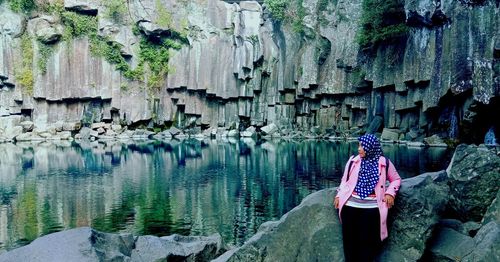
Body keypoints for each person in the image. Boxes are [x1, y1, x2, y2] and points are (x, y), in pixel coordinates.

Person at [334, 134, 401, 262]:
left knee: (367, 241)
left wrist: (390, 193)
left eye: (362, 146)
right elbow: (344, 181)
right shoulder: (353, 161)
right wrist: (339, 195)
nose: (359, 149)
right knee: (349, 241)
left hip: (372, 209)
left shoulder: (384, 163)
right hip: (350, 206)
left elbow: (396, 180)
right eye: (359, 145)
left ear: (370, 147)